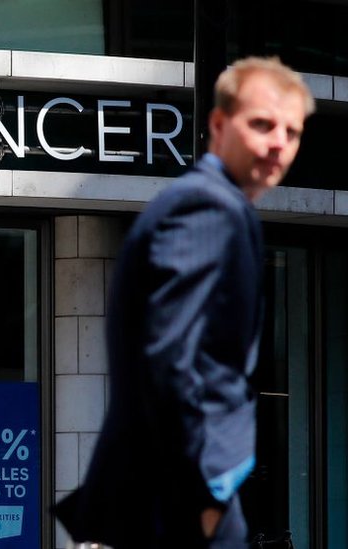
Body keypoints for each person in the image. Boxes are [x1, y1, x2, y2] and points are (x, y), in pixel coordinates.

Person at [54, 57, 314, 549]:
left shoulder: (204, 203)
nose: (279, 142)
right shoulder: (209, 207)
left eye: (292, 131)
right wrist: (205, 501)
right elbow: (170, 358)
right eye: (262, 124)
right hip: (178, 506)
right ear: (218, 124)